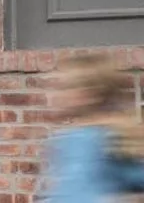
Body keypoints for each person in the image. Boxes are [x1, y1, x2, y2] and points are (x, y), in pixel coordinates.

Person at [38, 51, 144, 203]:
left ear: (89, 94)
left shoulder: (106, 138)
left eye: (65, 87)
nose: (56, 94)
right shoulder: (65, 139)